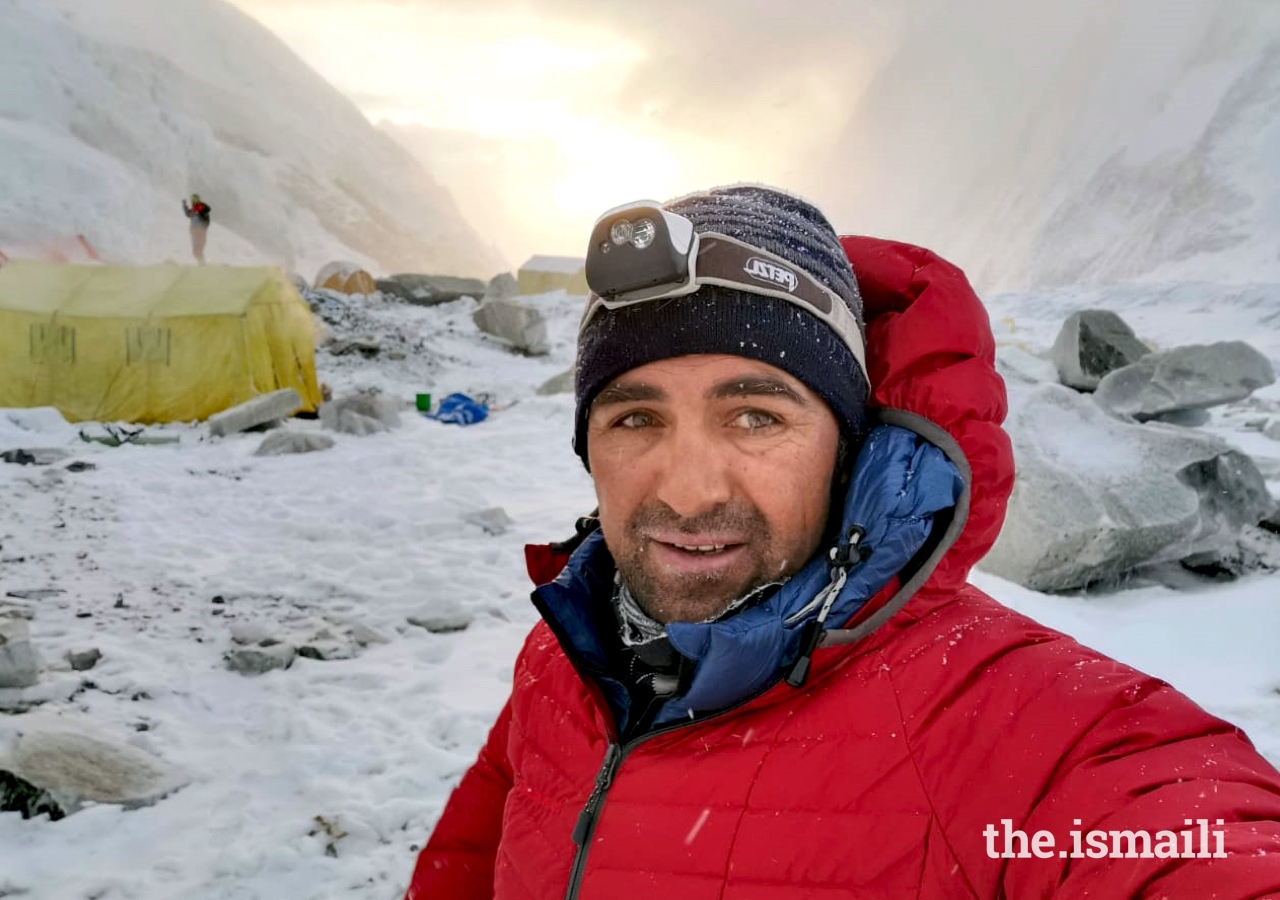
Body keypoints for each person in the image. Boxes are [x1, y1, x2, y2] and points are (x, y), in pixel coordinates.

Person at [405, 185, 1280, 899]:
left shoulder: (1029, 727)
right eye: (635, 418)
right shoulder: (571, 655)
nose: (684, 489)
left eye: (755, 416)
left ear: (851, 445)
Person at [182, 193, 211, 264]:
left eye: (195, 199)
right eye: (192, 199)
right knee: (195, 250)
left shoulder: (201, 207)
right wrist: (184, 205)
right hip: (194, 232)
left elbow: (208, 209)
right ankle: (201, 262)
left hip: (201, 231)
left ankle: (202, 263)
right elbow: (188, 214)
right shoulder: (194, 210)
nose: (193, 201)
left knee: (198, 248)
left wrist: (201, 207)